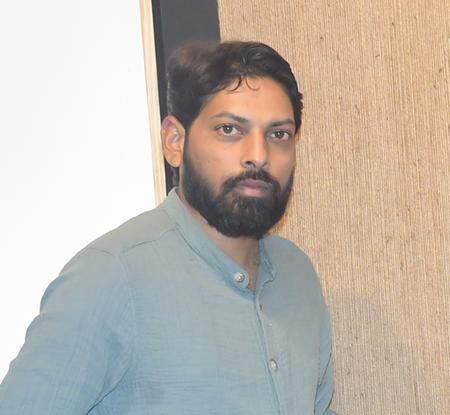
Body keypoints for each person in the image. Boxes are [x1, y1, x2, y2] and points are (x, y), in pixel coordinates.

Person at [0, 41, 336, 414]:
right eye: (229, 129)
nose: (258, 155)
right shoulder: (112, 275)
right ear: (175, 141)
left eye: (278, 135)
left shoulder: (297, 275)